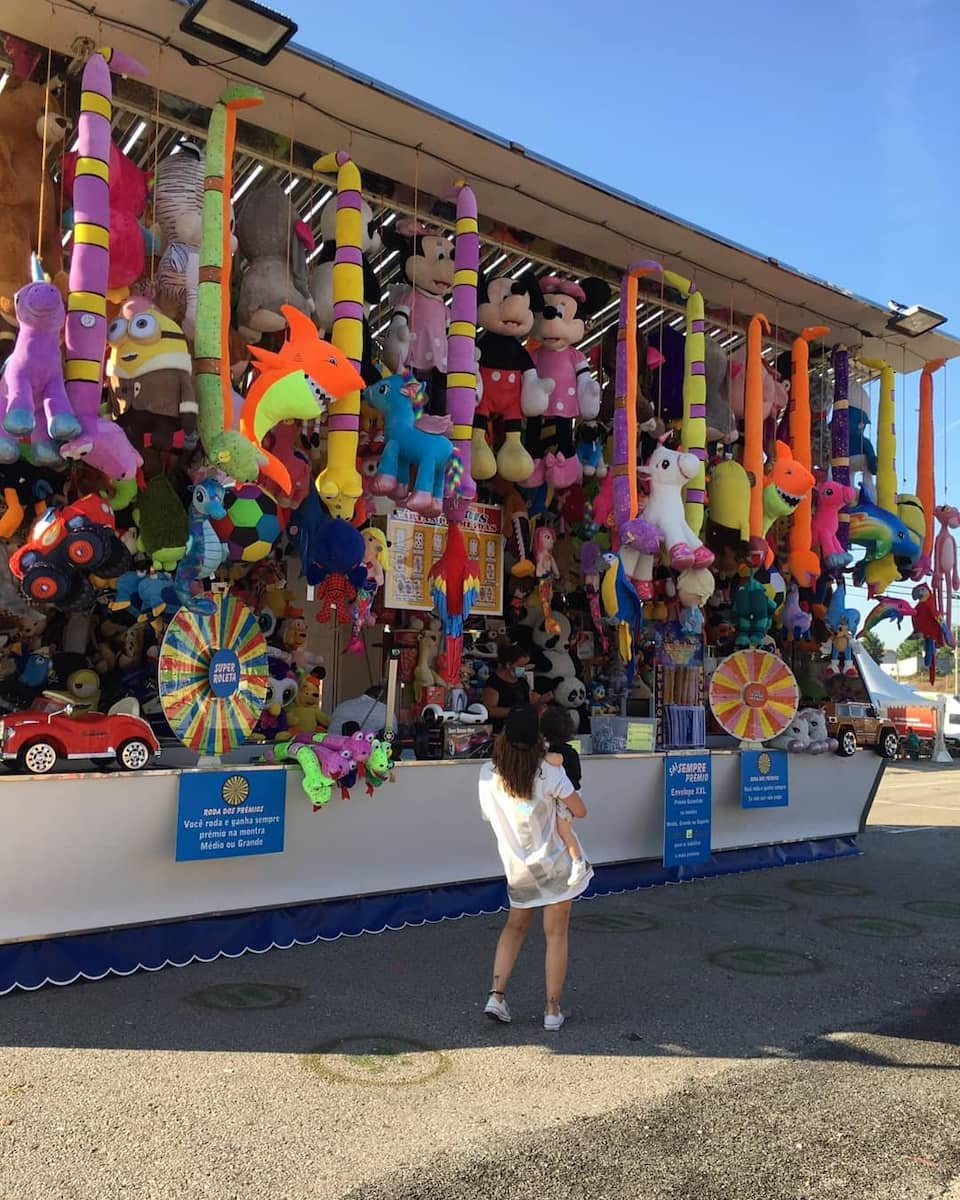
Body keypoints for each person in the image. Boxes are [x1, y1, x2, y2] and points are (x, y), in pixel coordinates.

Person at [478, 704, 593, 1031]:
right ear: (537, 740)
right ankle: (552, 1011)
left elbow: (489, 816)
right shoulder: (549, 772)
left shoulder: (487, 773)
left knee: (513, 929)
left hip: (518, 867)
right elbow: (580, 810)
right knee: (555, 935)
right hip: (557, 866)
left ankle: (496, 996)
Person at [540, 706, 590, 887]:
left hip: (566, 798)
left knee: (565, 832)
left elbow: (556, 764)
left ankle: (579, 863)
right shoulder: (571, 751)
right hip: (571, 793)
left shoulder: (553, 754)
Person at [481, 642, 553, 733]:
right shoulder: (493, 684)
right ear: (508, 665)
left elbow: (528, 704)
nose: (524, 668)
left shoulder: (522, 682)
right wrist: (517, 711)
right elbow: (490, 711)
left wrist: (540, 702)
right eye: (521, 665)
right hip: (501, 732)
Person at [327, 685, 394, 737]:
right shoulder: (386, 711)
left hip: (331, 750)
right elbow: (393, 736)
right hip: (366, 752)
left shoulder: (342, 705)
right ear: (383, 699)